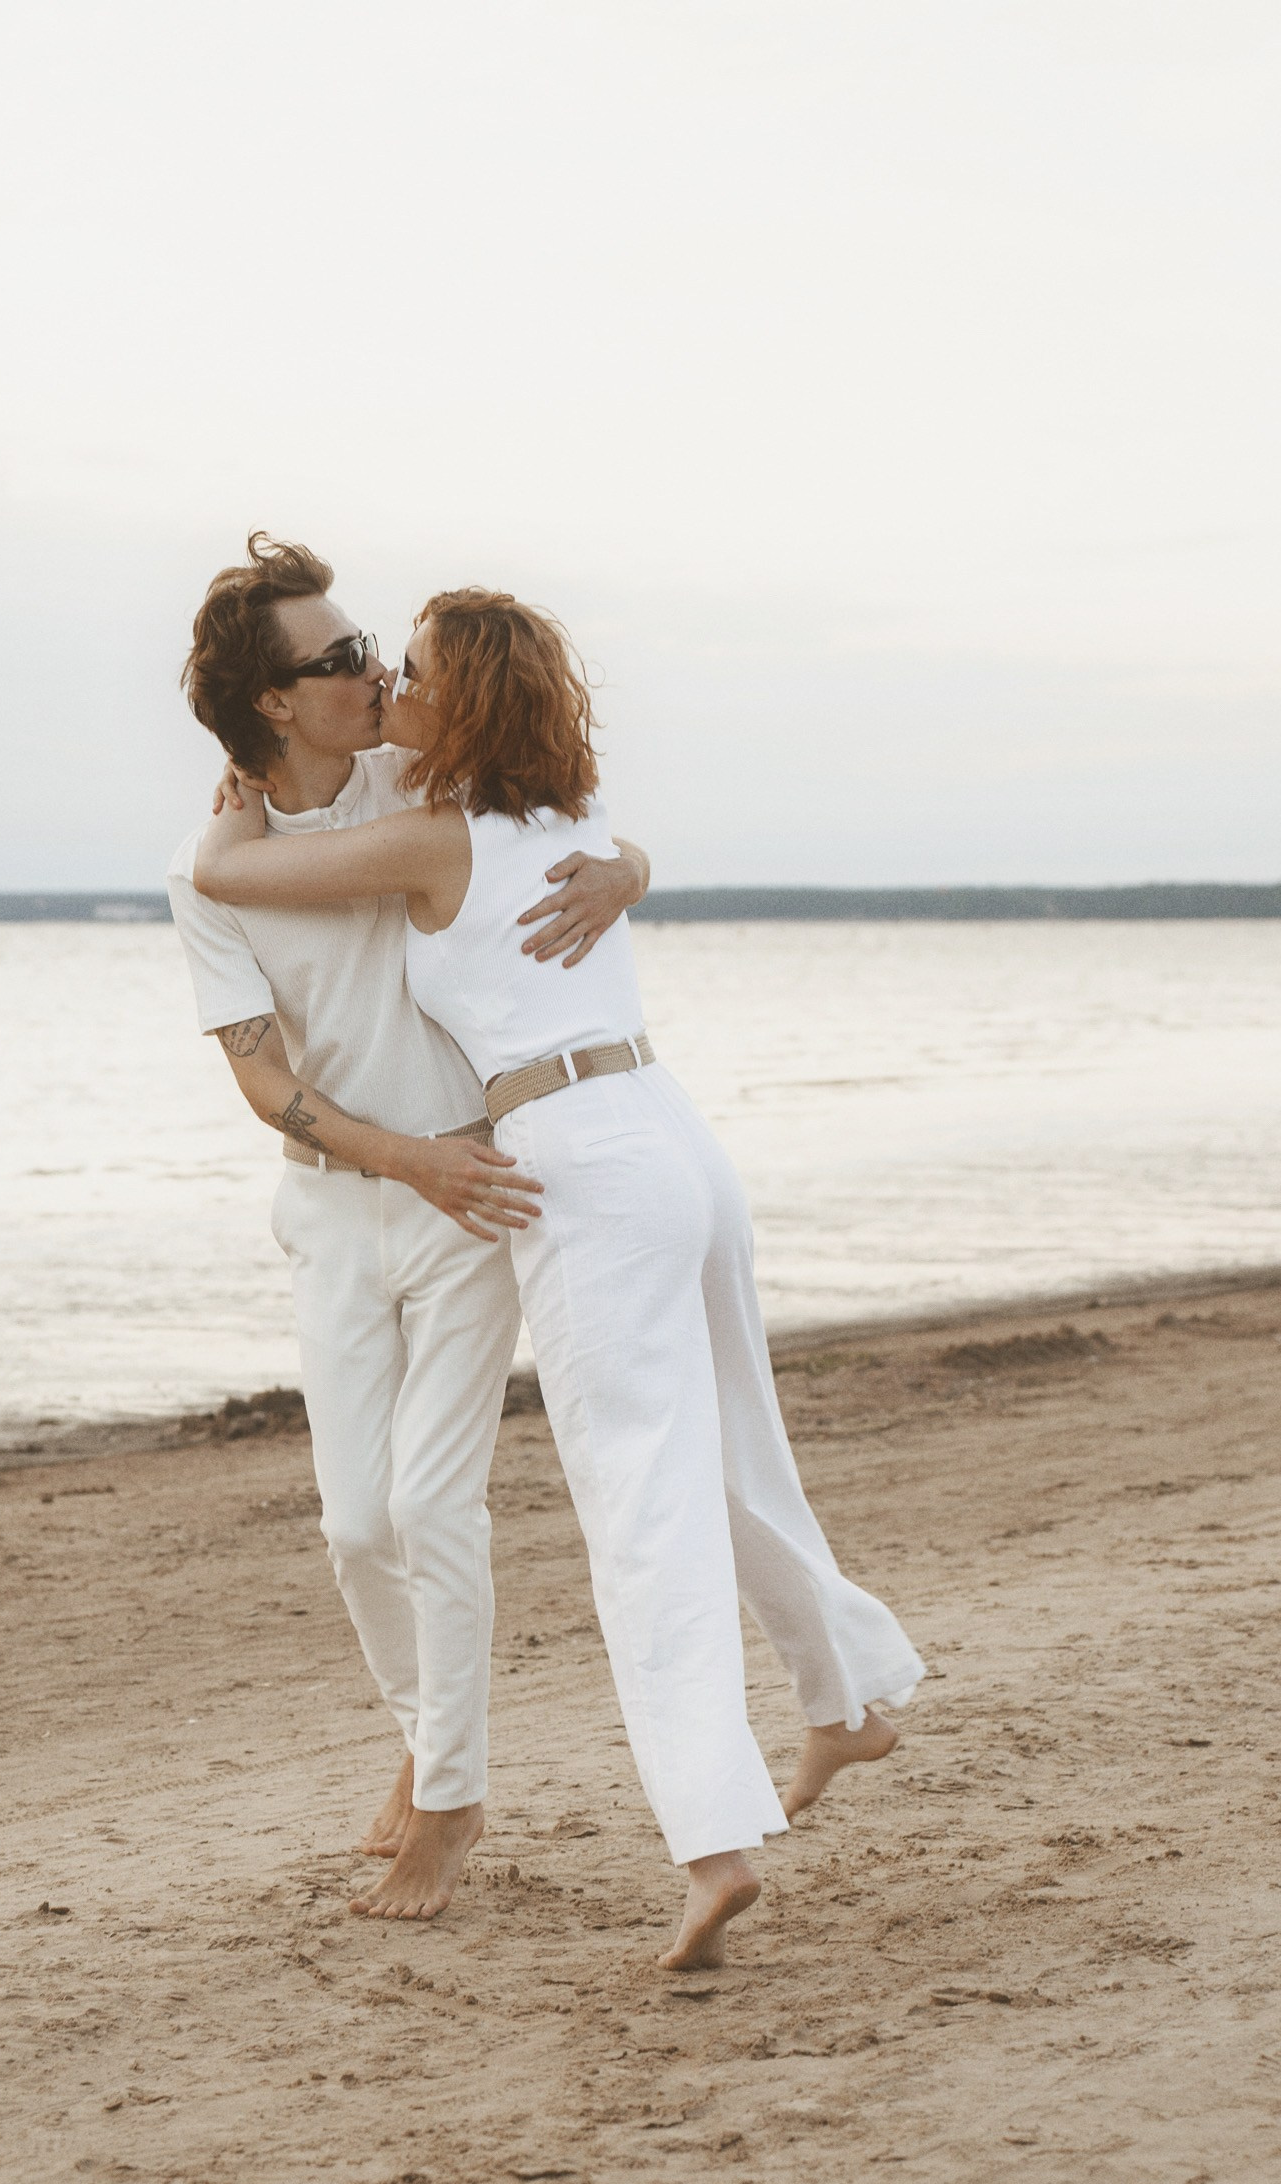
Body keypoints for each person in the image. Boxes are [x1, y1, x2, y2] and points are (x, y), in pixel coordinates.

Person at [194, 588, 925, 1970]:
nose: (388, 686)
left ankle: (714, 1845)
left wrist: (231, 785)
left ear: (462, 701)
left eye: (406, 671)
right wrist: (635, 867)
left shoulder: (432, 835)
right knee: (724, 1450)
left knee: (640, 1507)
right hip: (675, 1139)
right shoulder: (566, 813)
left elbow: (231, 878)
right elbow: (618, 848)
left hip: (581, 1165)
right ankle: (844, 1700)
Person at [168, 536, 650, 1922]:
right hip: (339, 1212)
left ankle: (454, 1795)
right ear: (273, 702)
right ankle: (423, 1740)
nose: (377, 671)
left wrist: (629, 872)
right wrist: (398, 1162)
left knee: (434, 1507)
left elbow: (574, 822)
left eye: (371, 646)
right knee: (353, 1525)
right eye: (339, 660)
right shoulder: (210, 865)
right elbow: (264, 1078)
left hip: (473, 1203)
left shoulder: (422, 778)